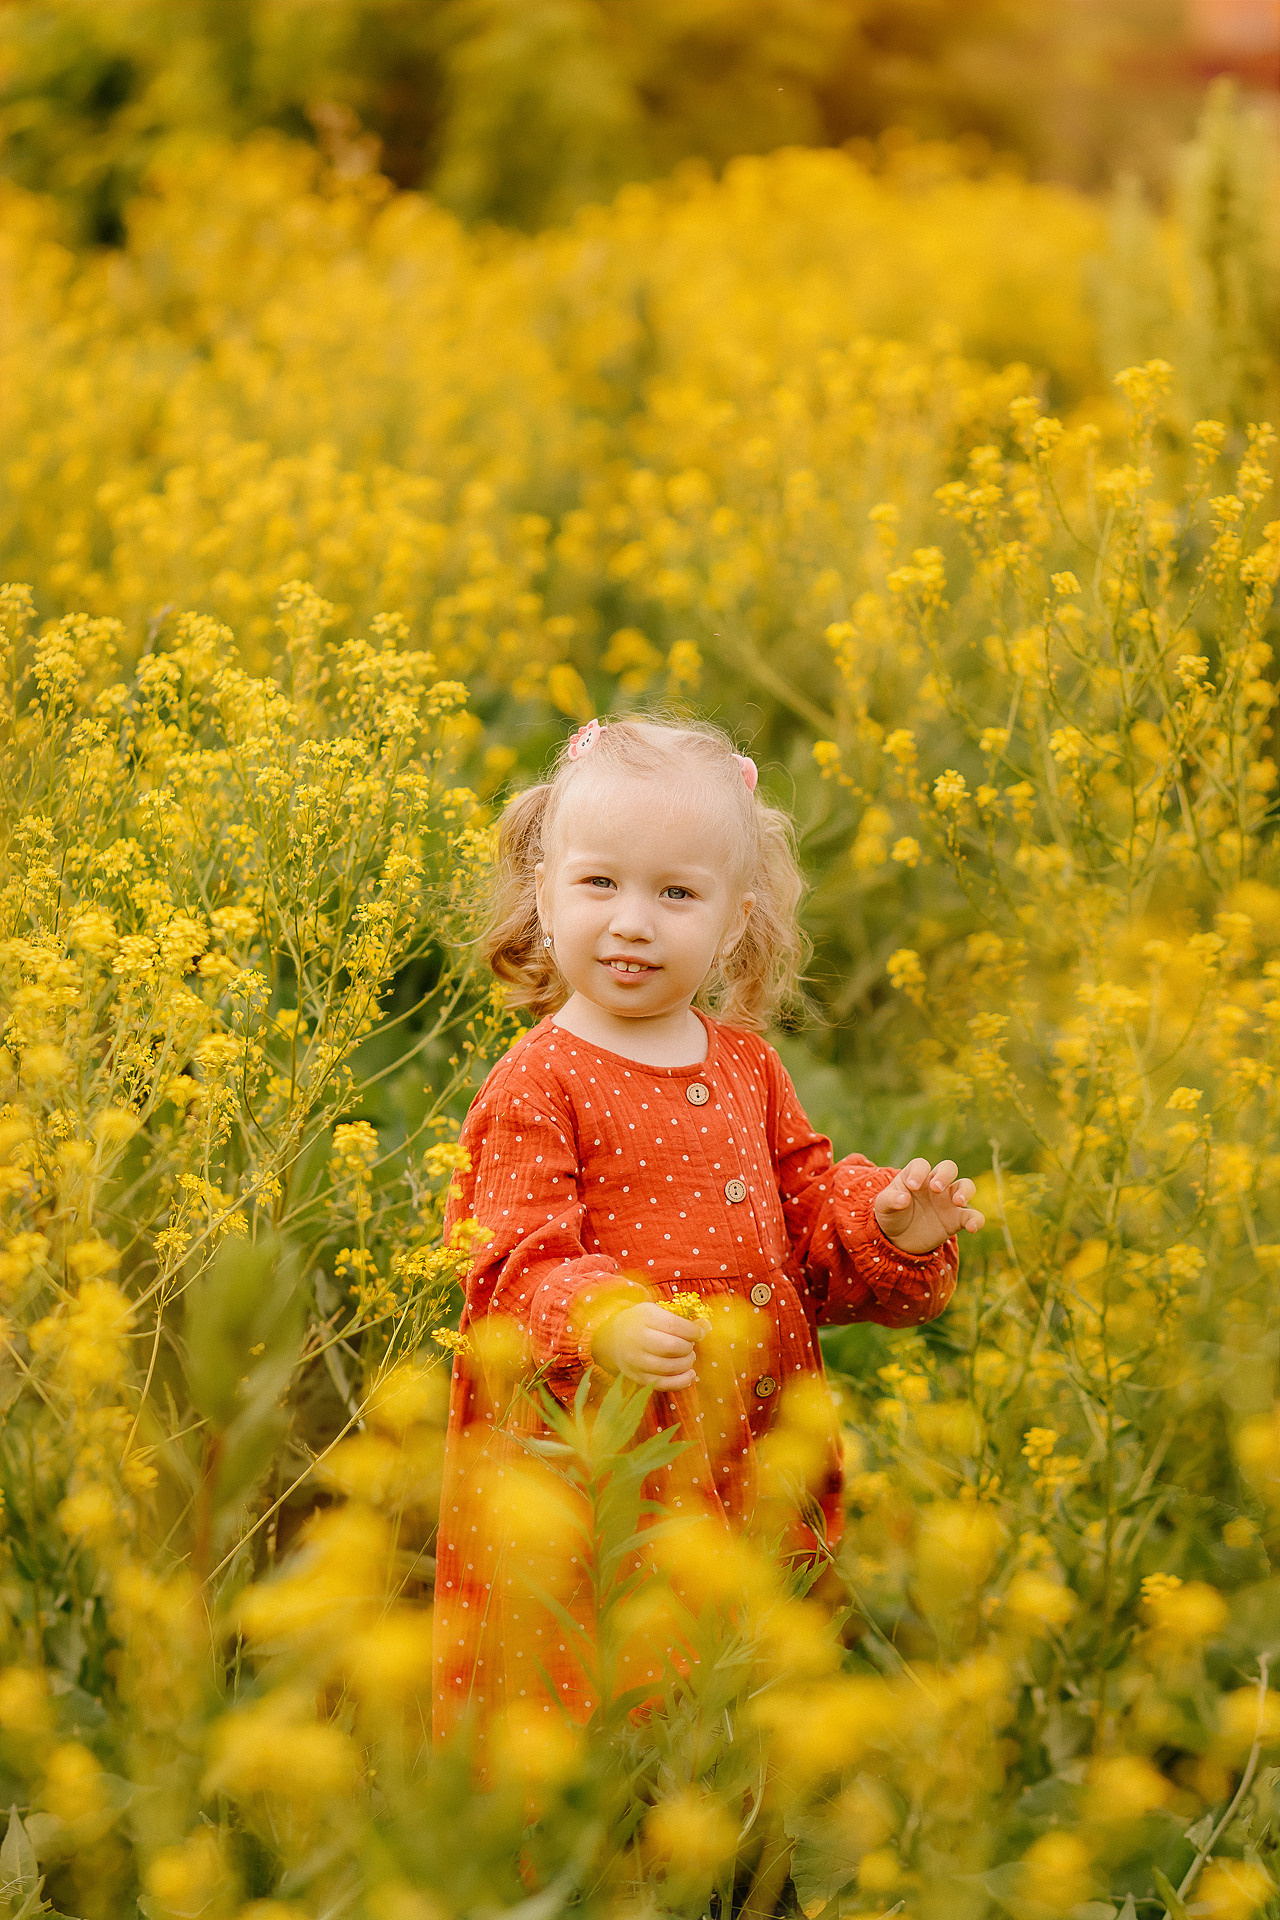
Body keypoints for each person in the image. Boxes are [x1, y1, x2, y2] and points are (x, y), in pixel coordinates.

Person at [432, 716, 983, 1745]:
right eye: (599, 884)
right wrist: (600, 1319)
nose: (632, 923)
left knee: (745, 1703)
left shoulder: (745, 1065)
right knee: (601, 1698)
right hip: (600, 1461)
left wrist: (888, 1229)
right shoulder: (538, 1080)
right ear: (543, 894)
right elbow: (508, 1258)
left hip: (746, 1447)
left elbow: (804, 1223)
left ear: (735, 922)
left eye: (676, 894)